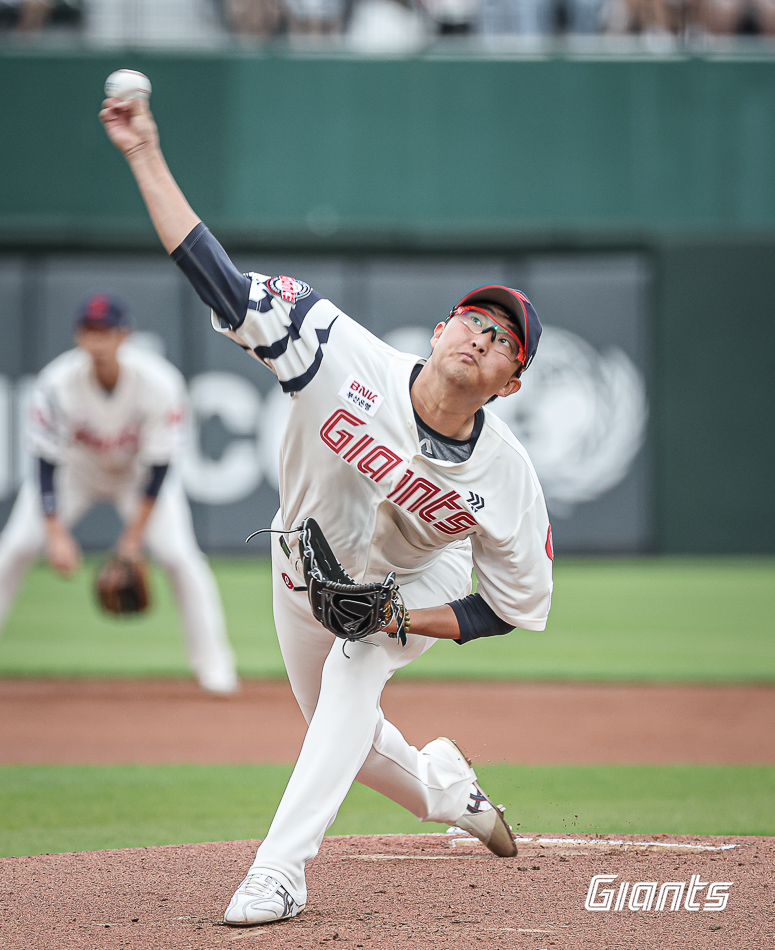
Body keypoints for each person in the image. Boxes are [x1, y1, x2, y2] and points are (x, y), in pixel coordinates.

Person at [99, 92, 554, 926]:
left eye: (501, 341)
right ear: (440, 326)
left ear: (510, 382)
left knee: (355, 676)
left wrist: (402, 616)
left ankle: (280, 870)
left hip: (413, 580)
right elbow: (216, 278)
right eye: (472, 320)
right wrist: (143, 154)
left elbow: (511, 606)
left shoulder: (506, 476)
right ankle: (449, 792)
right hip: (297, 568)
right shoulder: (338, 350)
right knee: (344, 736)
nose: (480, 338)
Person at [0, 293, 239, 696]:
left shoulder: (159, 382)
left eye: (106, 331)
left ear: (123, 335)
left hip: (137, 477)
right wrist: (55, 533)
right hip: (73, 474)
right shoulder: (56, 382)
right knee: (16, 548)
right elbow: (43, 460)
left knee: (181, 558)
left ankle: (215, 668)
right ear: (79, 336)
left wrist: (132, 539)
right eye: (90, 331)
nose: (98, 340)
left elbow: (161, 466)